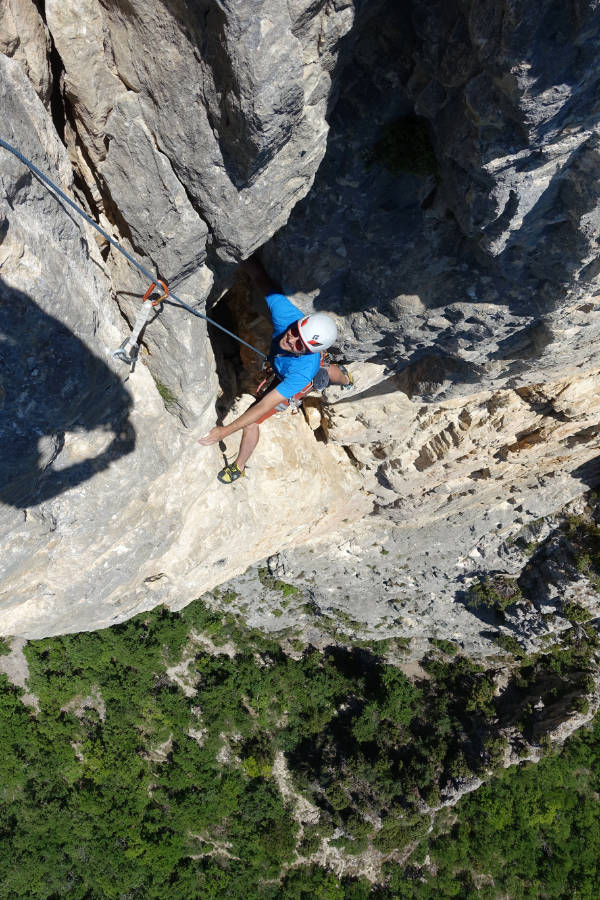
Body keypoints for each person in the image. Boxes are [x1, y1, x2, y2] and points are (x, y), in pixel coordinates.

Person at [199, 259, 352, 483]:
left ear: (308, 350)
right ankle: (338, 373)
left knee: (253, 420)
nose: (291, 340)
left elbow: (264, 404)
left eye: (300, 344)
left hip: (295, 378)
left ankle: (239, 467)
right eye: (295, 333)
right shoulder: (287, 317)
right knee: (323, 370)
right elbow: (261, 280)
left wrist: (224, 431)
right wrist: (243, 257)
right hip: (287, 367)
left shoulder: (302, 373)